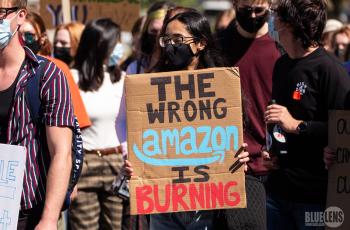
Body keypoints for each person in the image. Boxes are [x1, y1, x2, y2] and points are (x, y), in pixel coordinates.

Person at [124, 10, 251, 230]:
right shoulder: (150, 88)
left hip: (208, 204)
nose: (170, 46)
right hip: (164, 204)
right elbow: (145, 141)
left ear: (200, 44)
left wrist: (238, 156)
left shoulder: (222, 87)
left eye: (178, 40)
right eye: (166, 40)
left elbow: (229, 137)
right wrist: (136, 166)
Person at [264, 1, 350, 229]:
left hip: (314, 197)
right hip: (277, 192)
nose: (272, 23)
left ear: (290, 24)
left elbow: (343, 130)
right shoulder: (281, 65)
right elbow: (278, 120)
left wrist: (297, 125)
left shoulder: (331, 70)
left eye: (277, 18)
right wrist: (271, 151)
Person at [0, 0, 74, 229]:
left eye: (0, 13)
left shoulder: (47, 75)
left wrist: (49, 219)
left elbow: (61, 152)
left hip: (26, 212)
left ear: (20, 16)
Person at [68, 18, 125, 230]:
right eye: (115, 42)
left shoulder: (123, 79)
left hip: (118, 164)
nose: (119, 47)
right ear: (101, 45)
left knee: (117, 226)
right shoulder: (71, 79)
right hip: (85, 164)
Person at [217, 0, 281, 179]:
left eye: (259, 10)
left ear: (269, 5)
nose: (252, 16)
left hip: (272, 165)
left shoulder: (282, 45)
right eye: (246, 9)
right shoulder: (218, 45)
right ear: (235, 4)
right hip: (230, 164)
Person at [19, 11, 91, 129]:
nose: (22, 40)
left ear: (42, 38)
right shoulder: (5, 67)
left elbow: (77, 120)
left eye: (28, 35)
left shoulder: (57, 67)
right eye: (17, 34)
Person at [126, 1, 175, 75]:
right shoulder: (134, 69)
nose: (158, 36)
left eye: (164, 31)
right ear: (146, 30)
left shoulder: (185, 67)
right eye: (154, 31)